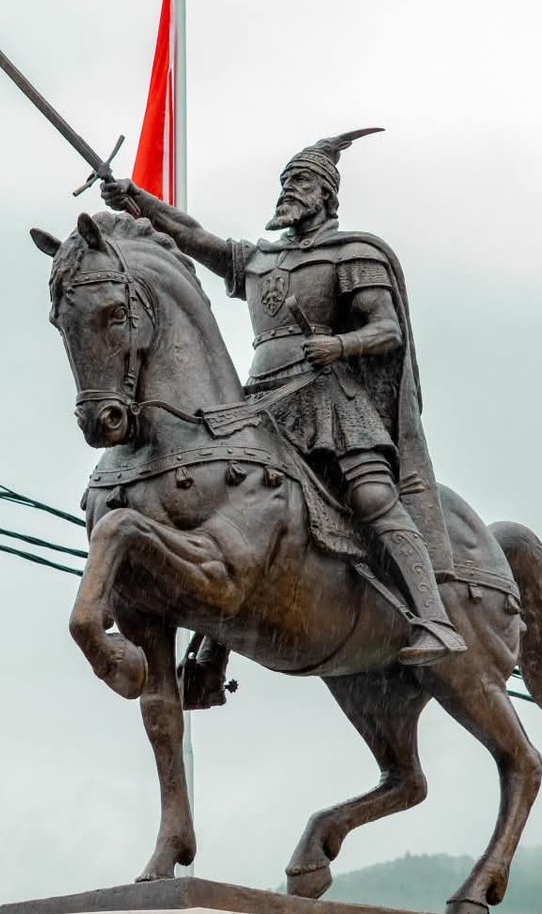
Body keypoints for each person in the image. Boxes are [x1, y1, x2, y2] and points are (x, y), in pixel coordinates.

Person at [101, 129, 466, 673]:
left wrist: (339, 345)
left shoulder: (351, 253)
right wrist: (136, 199)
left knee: (371, 495)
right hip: (264, 404)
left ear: (326, 194)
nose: (289, 190)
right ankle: (213, 647)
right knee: (231, 505)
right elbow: (190, 234)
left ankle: (434, 618)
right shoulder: (259, 260)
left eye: (301, 182)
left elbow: (387, 330)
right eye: (286, 181)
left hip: (330, 402)